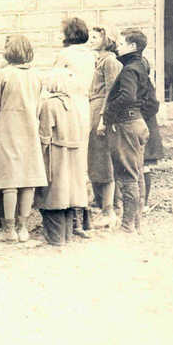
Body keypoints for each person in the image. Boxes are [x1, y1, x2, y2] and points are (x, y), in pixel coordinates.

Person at [0, 35, 47, 243]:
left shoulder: (4, 74)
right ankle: (23, 228)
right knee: (28, 180)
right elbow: (39, 106)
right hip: (29, 129)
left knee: (9, 180)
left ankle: (8, 230)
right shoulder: (37, 76)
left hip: (7, 129)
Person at [103, 29, 151, 233]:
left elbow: (127, 97)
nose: (117, 46)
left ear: (132, 47)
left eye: (121, 43)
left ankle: (127, 226)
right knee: (137, 173)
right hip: (138, 122)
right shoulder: (142, 66)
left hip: (127, 125)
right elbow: (151, 100)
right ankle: (137, 224)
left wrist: (109, 114)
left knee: (127, 176)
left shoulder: (130, 69)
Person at [35, 68, 89, 246]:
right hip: (74, 153)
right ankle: (66, 236)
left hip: (56, 153)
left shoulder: (49, 104)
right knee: (69, 195)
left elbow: (44, 134)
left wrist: (39, 155)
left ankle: (55, 238)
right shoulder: (74, 104)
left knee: (54, 194)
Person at [54, 17, 96, 238]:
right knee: (82, 162)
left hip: (68, 107)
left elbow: (55, 80)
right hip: (84, 107)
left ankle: (70, 219)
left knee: (67, 162)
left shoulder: (66, 56)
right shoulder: (91, 55)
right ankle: (84, 218)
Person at [87, 27, 122, 230]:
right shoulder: (98, 61)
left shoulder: (110, 62)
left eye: (95, 37)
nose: (91, 40)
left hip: (101, 111)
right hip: (93, 109)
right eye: (90, 37)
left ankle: (109, 210)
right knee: (95, 161)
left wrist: (103, 119)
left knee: (104, 162)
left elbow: (111, 92)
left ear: (106, 40)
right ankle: (101, 206)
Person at [141, 57, 164, 213]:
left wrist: (137, 116)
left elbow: (153, 105)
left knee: (144, 167)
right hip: (141, 127)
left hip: (146, 129)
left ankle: (144, 204)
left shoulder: (145, 84)